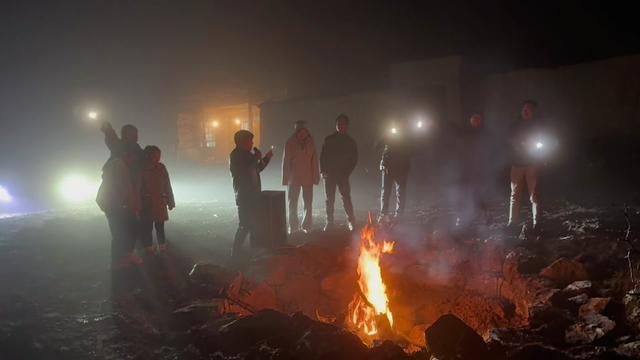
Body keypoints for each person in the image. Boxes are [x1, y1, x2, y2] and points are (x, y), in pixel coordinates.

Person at [230, 130, 273, 259]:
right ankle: (235, 251)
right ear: (241, 142)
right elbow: (244, 169)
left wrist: (266, 158)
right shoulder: (236, 155)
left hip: (254, 194)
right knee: (244, 224)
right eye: (250, 141)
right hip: (244, 195)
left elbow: (257, 168)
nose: (252, 143)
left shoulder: (248, 155)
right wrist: (256, 157)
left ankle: (254, 248)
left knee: (255, 222)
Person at [96, 148, 142, 268]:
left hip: (111, 204)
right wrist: (132, 206)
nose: (134, 161)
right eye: (133, 158)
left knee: (119, 232)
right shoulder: (119, 166)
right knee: (125, 231)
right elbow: (125, 188)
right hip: (116, 205)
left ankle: (122, 258)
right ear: (128, 156)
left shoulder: (115, 165)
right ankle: (124, 259)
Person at [507, 100, 544, 233]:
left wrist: (540, 159)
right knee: (515, 195)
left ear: (533, 112)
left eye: (529, 109)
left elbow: (542, 144)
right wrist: (517, 146)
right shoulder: (514, 126)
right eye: (524, 109)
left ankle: (537, 222)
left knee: (534, 195)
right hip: (517, 164)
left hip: (532, 164)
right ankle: (512, 223)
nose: (526, 111)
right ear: (521, 111)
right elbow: (509, 142)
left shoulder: (538, 127)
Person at [320, 114, 358, 231]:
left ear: (347, 126)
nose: (340, 126)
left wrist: (347, 172)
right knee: (329, 199)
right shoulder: (329, 139)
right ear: (336, 125)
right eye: (338, 124)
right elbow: (323, 156)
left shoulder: (350, 142)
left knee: (346, 198)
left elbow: (354, 159)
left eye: (342, 124)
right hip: (330, 174)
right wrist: (323, 171)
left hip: (343, 175)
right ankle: (329, 222)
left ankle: (351, 221)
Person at [282, 121, 320, 233]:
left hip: (307, 177)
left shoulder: (311, 142)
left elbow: (315, 160)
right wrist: (285, 178)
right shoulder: (290, 142)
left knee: (308, 203)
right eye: (300, 130)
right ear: (296, 130)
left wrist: (315, 176)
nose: (302, 132)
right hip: (294, 178)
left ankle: (306, 226)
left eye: (304, 130)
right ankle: (293, 227)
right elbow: (286, 161)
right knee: (292, 203)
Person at [457, 113, 493, 228]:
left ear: (481, 120)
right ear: (470, 120)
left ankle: (486, 216)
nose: (476, 120)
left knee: (481, 194)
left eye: (478, 118)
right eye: (474, 118)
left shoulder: (486, 133)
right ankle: (469, 217)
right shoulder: (466, 133)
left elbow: (490, 151)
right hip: (468, 169)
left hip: (482, 170)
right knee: (468, 194)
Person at [139, 146, 175, 254]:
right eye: (155, 156)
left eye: (158, 155)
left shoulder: (161, 168)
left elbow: (167, 185)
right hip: (147, 202)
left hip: (159, 202)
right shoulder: (142, 169)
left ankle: (162, 246)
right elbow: (138, 187)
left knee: (160, 226)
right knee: (147, 226)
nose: (158, 158)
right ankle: (149, 247)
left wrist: (170, 200)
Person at [377, 120, 414, 222]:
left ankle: (399, 214)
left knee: (400, 192)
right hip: (388, 168)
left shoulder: (407, 137)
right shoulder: (388, 136)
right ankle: (384, 214)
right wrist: (385, 136)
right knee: (386, 191)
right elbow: (377, 146)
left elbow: (412, 151)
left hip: (401, 168)